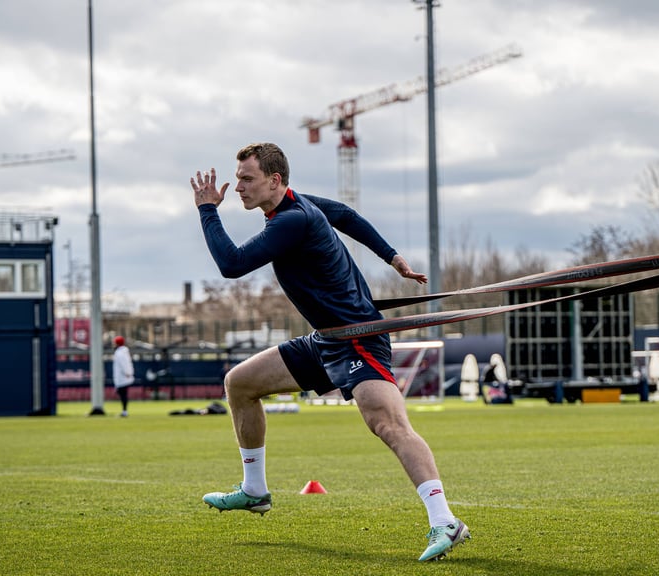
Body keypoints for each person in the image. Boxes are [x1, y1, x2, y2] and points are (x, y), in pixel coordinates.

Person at [190, 142, 469, 562]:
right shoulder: (300, 204)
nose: (239, 188)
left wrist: (207, 210)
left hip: (358, 338)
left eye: (247, 179)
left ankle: (445, 520)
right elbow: (345, 215)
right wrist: (392, 258)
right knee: (240, 384)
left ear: (274, 180)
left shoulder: (291, 220)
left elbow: (231, 264)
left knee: (388, 425)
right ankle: (254, 490)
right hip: (325, 340)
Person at [112, 336, 134, 417]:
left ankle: (124, 411)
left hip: (123, 377)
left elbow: (124, 364)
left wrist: (127, 373)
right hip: (123, 377)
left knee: (123, 394)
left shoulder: (120, 353)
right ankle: (124, 411)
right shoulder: (123, 352)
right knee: (122, 394)